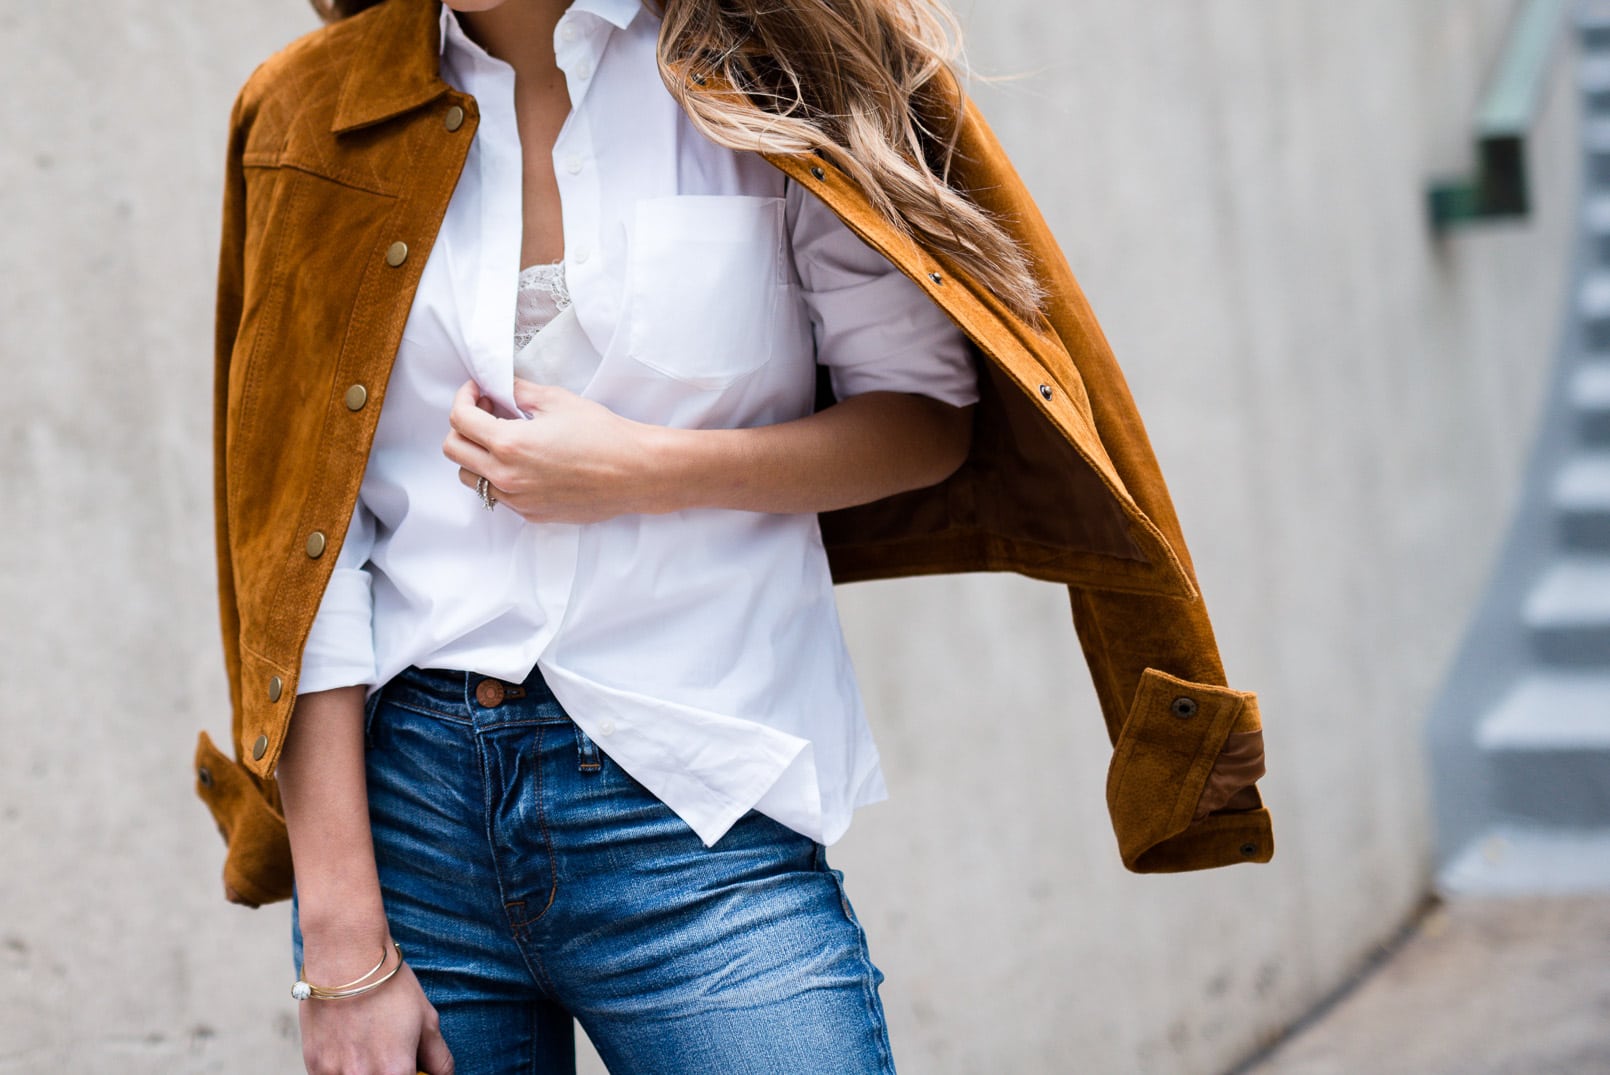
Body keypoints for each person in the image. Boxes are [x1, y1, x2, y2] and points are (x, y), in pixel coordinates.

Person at [193, 0, 1273, 1072]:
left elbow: (924, 418)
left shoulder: (768, 62)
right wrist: (341, 945)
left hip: (691, 801)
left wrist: (642, 471)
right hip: (404, 814)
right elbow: (300, 549)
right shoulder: (307, 110)